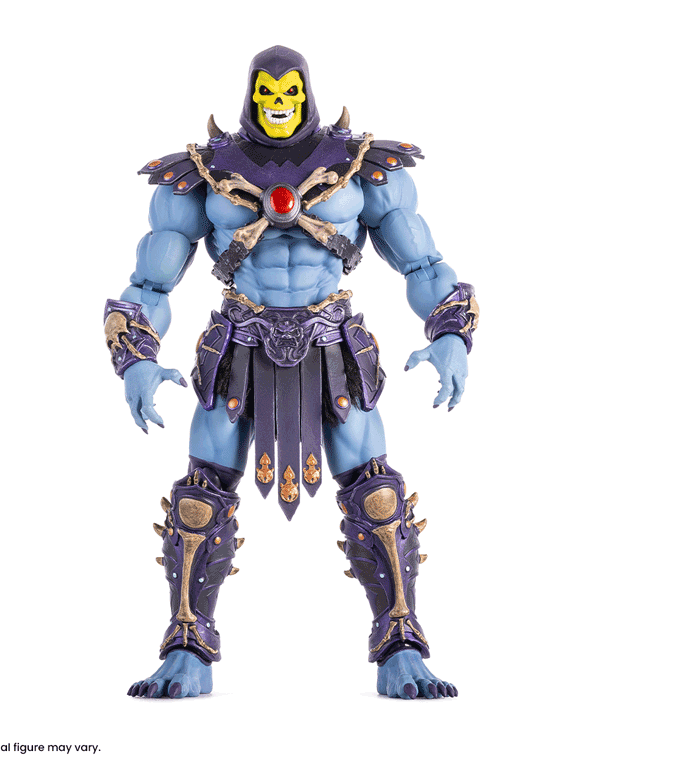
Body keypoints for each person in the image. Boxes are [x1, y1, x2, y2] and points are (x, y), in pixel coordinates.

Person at [103, 46, 478, 700]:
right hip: (238, 343)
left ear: (306, 92)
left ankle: (400, 645)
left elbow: (423, 264)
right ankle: (188, 647)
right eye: (268, 92)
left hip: (333, 342)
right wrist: (136, 356)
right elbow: (149, 284)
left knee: (376, 493)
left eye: (290, 92)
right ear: (252, 92)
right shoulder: (202, 173)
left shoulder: (362, 166)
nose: (279, 104)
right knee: (201, 495)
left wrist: (450, 333)